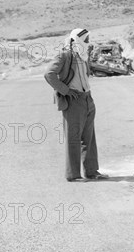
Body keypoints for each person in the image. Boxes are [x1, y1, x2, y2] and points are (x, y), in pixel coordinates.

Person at [45, 28, 108, 182]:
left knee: (89, 138)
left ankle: (92, 172)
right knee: (73, 139)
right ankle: (73, 175)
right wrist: (65, 90)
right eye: (86, 39)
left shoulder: (83, 55)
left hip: (87, 99)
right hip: (73, 101)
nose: (88, 41)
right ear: (78, 39)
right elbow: (49, 74)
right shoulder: (65, 55)